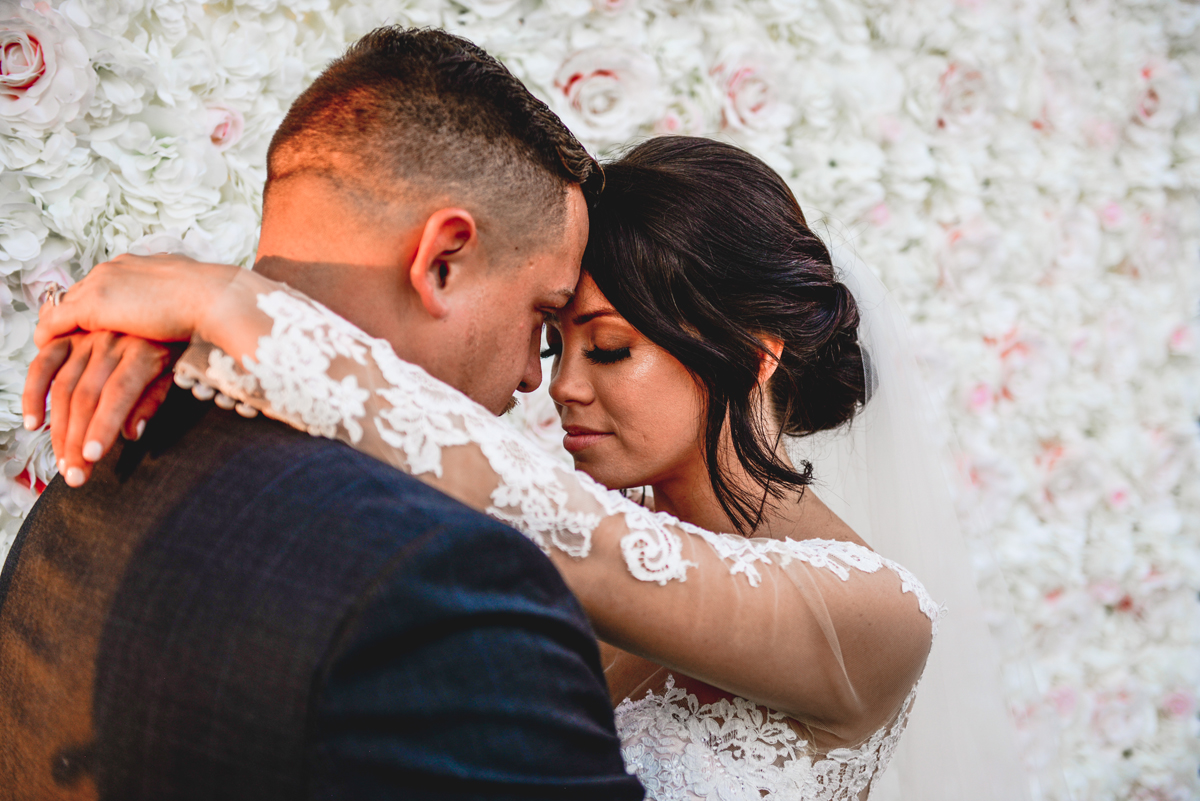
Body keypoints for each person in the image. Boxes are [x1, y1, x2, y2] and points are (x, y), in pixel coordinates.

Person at [26, 137, 952, 799]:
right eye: (554, 348)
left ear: (755, 353)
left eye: (610, 349)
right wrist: (206, 366)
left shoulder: (876, 614)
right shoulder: (562, 519)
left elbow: (577, 538)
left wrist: (235, 308)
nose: (561, 391)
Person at [0, 27, 646, 800]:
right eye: (542, 322)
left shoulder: (103, 450)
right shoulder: (442, 573)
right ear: (442, 261)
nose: (531, 380)